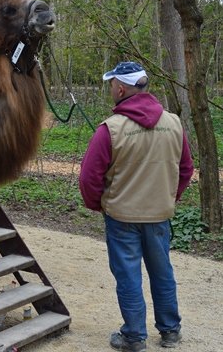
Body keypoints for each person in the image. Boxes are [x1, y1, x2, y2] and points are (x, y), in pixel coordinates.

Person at [79, 62, 194, 352]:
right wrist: (169, 197)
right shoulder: (174, 123)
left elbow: (89, 178)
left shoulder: (110, 129)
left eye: (111, 85)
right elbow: (186, 170)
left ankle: (134, 337)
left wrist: (99, 204)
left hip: (121, 217)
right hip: (159, 216)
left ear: (120, 89)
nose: (110, 89)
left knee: (128, 276)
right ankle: (170, 331)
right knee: (162, 273)